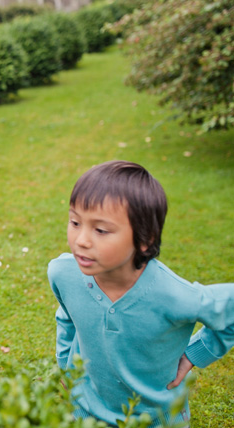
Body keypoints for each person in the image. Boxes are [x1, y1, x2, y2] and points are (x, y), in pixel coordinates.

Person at [47, 160, 234, 427]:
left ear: (145, 239)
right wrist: (65, 366)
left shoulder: (174, 296)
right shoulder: (63, 274)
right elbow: (67, 315)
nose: (82, 240)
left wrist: (196, 353)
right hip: (85, 411)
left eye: (101, 230)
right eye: (75, 222)